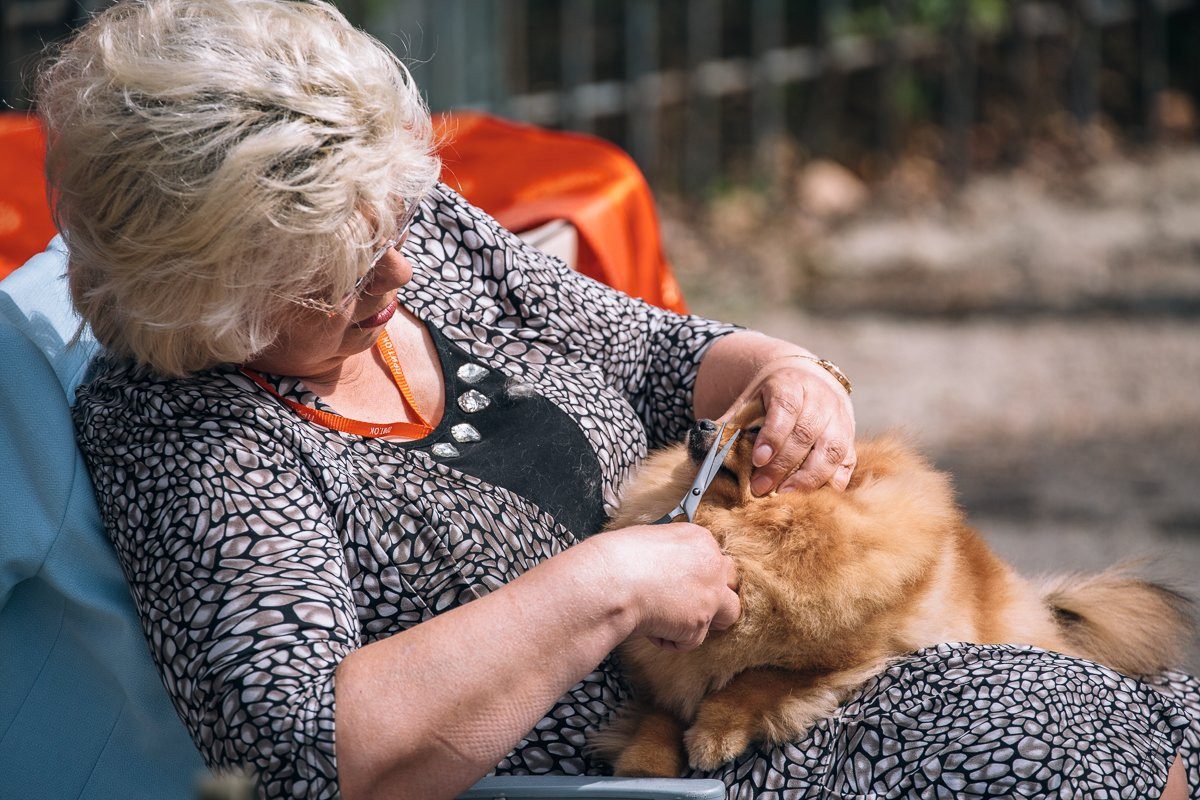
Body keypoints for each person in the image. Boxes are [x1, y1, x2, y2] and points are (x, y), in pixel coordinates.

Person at [37, 1, 1196, 798]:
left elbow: (654, 349)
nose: (399, 272)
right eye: (333, 272)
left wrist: (784, 372)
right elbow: (312, 757)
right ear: (210, 302)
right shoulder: (185, 433)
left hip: (773, 685)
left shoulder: (410, 233)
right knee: (1049, 722)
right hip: (655, 763)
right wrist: (606, 583)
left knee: (1171, 708)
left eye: (393, 225)